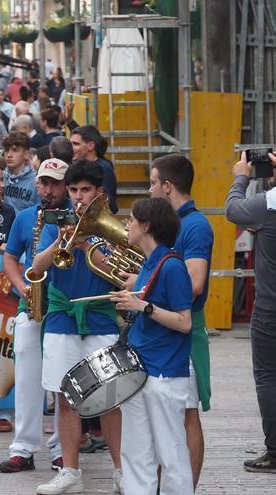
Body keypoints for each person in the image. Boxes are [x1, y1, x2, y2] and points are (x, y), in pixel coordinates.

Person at [30, 160, 123, 494]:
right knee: (65, 396)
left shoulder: (111, 225)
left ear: (99, 192)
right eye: (73, 190)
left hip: (99, 316)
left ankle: (121, 470)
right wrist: (62, 242)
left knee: (110, 398)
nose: (78, 197)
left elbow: (119, 273)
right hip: (61, 316)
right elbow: (36, 269)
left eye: (85, 190)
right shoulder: (56, 222)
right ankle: (70, 470)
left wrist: (89, 247)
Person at [135, 154, 213, 488]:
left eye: (152, 182)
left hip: (183, 329)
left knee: (187, 414)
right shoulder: (177, 223)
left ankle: (185, 487)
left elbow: (193, 283)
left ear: (167, 186)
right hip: (162, 331)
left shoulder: (194, 225)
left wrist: (146, 298)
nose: (150, 189)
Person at [107, 197, 194, 494]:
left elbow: (185, 322)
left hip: (164, 373)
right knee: (135, 452)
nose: (127, 225)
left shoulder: (172, 266)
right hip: (141, 369)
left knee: (171, 454)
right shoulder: (150, 263)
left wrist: (142, 307)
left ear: (145, 226)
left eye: (131, 220)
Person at [0, 159, 68, 474]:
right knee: (26, 380)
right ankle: (23, 449)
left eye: (55, 183)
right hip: (33, 306)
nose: (48, 189)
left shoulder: (75, 219)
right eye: (44, 183)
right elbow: (10, 257)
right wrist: (21, 286)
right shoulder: (26, 218)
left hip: (64, 307)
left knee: (63, 383)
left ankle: (61, 449)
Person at [225, 150, 276, 473]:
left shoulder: (268, 204)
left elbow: (232, 209)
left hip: (270, 307)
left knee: (269, 378)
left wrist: (241, 176)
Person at [69, 126, 118, 213]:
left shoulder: (104, 168)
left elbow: (110, 204)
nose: (71, 148)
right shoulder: (75, 166)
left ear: (91, 146)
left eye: (76, 144)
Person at [2, 131, 40, 213]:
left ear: (26, 154)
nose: (9, 155)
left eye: (15, 150)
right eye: (6, 150)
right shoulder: (0, 177)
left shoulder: (36, 181)